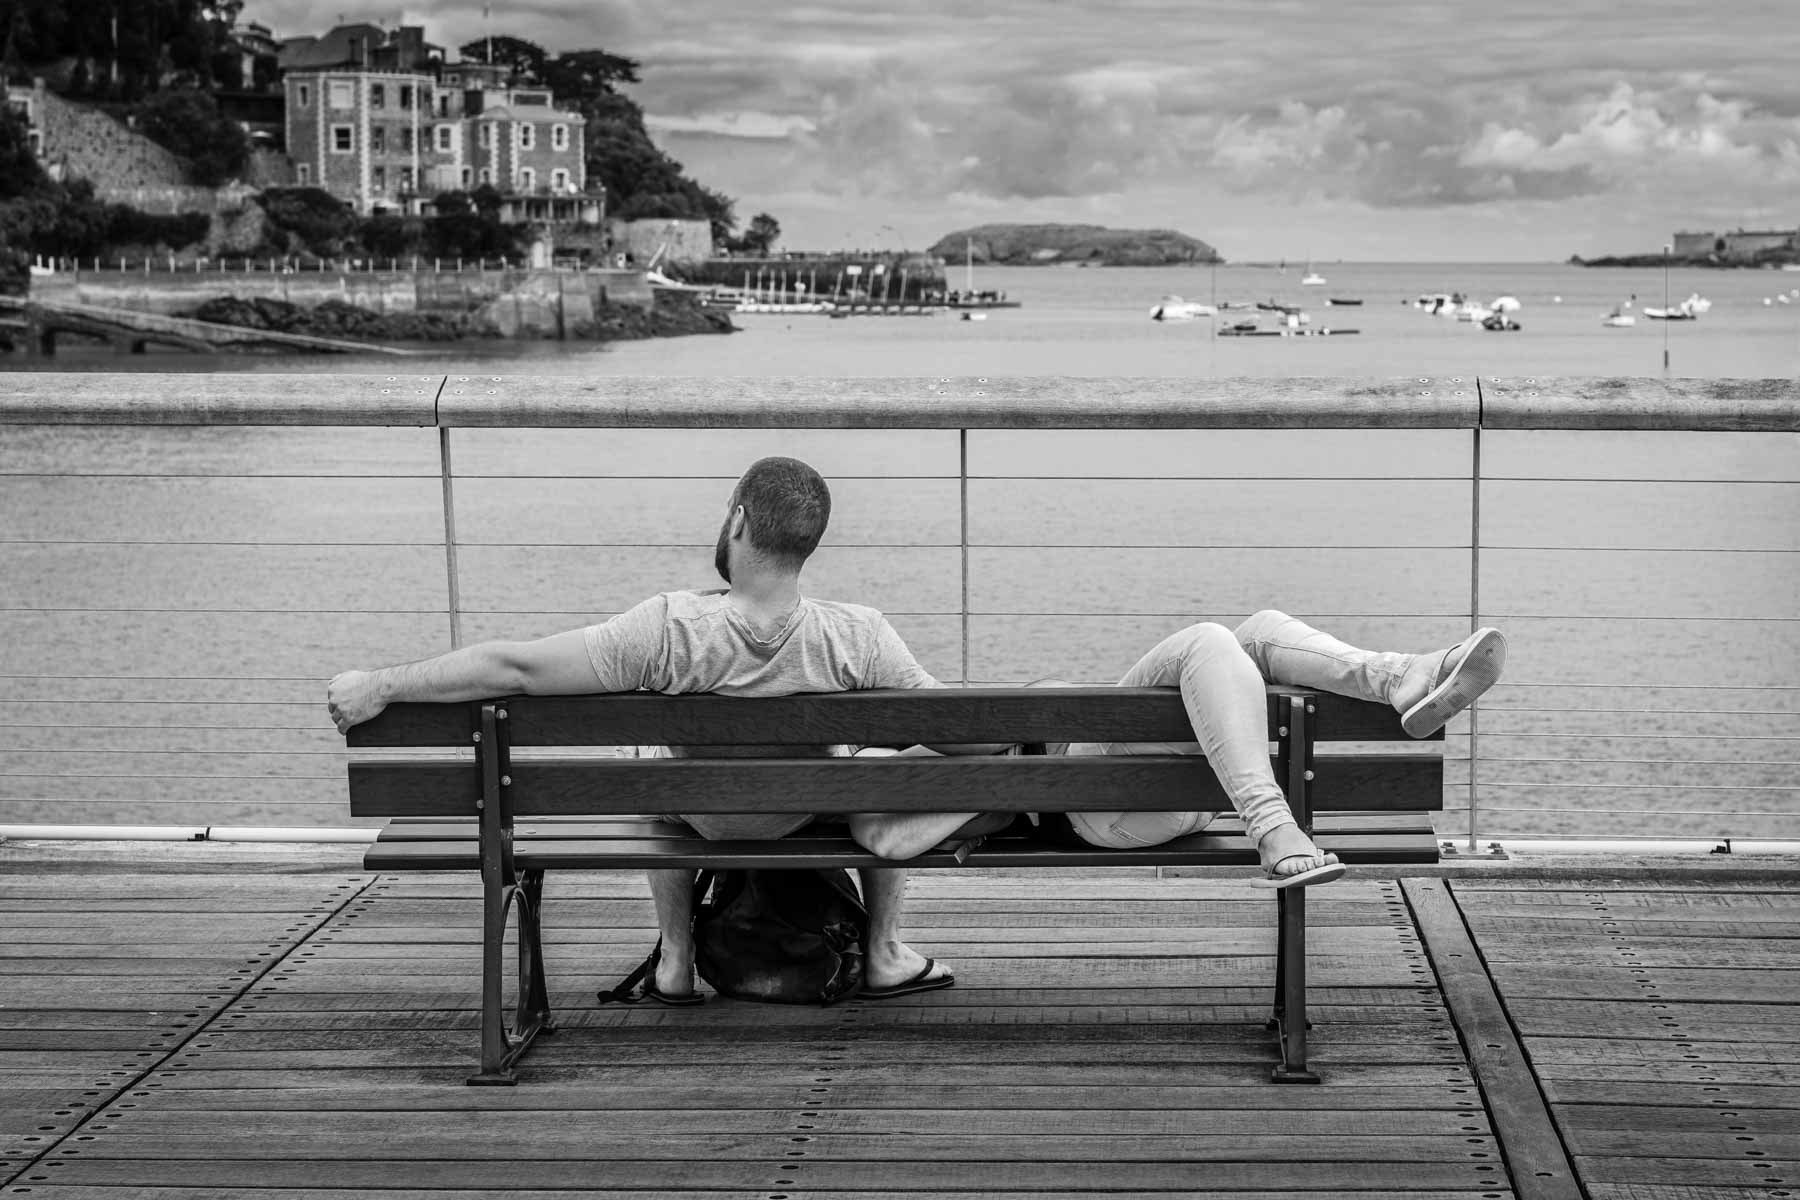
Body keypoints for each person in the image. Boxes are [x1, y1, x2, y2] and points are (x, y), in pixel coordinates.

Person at [327, 456, 1003, 1005]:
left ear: (738, 519)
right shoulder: (859, 636)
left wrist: (382, 685)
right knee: (879, 759)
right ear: (807, 544)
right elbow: (957, 732)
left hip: (697, 816)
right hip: (800, 814)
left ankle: (677, 960)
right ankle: (884, 952)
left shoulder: (669, 629)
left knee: (652, 761)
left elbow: (515, 668)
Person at [851, 614, 1506, 887]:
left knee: (1259, 631)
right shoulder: (869, 773)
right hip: (1095, 802)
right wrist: (1004, 770)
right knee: (1208, 644)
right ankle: (1274, 828)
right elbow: (886, 837)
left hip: (1134, 784)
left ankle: (1404, 677)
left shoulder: (879, 745)